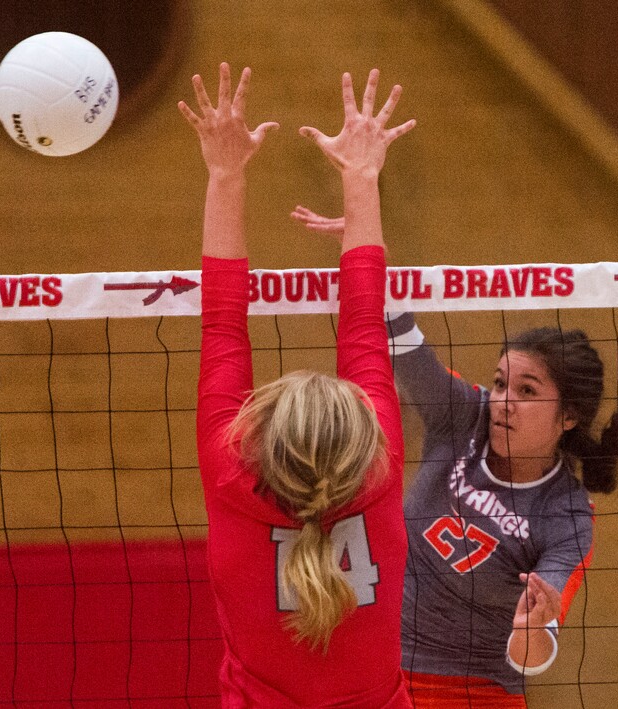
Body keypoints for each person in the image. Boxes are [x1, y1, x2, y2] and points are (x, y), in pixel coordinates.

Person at [291, 208, 618, 707]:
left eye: (527, 390)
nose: (502, 402)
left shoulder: (568, 516)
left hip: (478, 691)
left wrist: (533, 626)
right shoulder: (464, 415)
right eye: (500, 383)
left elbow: (533, 657)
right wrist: (362, 243)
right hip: (378, 668)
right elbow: (405, 346)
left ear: (569, 417)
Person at [179, 64, 416, 707]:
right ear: (365, 434)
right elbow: (365, 323)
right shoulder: (381, 467)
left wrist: (225, 171)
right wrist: (362, 176)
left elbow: (223, 323)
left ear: (257, 435)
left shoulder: (233, 470)